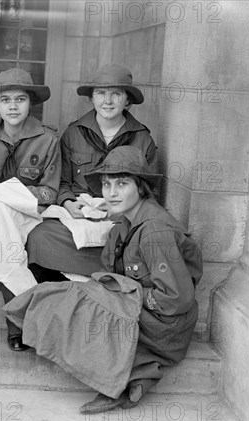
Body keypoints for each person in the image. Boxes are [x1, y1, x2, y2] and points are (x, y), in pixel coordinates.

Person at [6, 145, 202, 414]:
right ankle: (139, 370)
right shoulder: (124, 224)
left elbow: (176, 299)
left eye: (122, 184)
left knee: (78, 306)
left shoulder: (155, 231)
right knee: (60, 296)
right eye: (107, 184)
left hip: (165, 327)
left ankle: (121, 380)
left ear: (142, 187)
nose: (111, 192)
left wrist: (124, 295)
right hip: (145, 315)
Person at [27, 64, 158, 281]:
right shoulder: (74, 133)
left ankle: (104, 289)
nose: (108, 101)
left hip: (120, 219)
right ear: (91, 98)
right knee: (39, 235)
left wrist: (117, 209)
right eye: (101, 93)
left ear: (127, 101)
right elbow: (61, 181)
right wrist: (69, 203)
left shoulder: (143, 139)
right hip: (76, 218)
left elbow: (150, 194)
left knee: (130, 241)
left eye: (116, 94)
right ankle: (55, 293)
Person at [0, 67, 60, 351]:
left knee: (12, 251)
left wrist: (9, 195)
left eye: (20, 99)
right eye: (6, 100)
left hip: (32, 215)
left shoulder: (48, 139)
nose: (13, 106)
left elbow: (50, 191)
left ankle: (20, 322)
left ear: (31, 102)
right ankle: (23, 322)